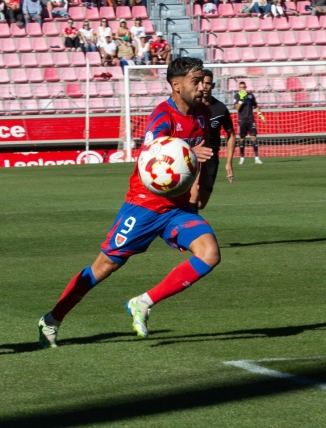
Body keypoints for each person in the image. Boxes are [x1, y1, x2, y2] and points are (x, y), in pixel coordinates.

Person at [37, 57, 219, 348]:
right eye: (195, 82)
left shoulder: (203, 114)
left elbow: (197, 160)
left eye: (203, 81)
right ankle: (52, 320)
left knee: (209, 254)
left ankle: (143, 302)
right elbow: (152, 156)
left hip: (178, 209)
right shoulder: (163, 115)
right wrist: (189, 151)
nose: (202, 87)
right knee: (104, 266)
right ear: (176, 85)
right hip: (145, 205)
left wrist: (198, 187)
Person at [197, 69, 235, 210]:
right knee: (191, 197)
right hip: (193, 157)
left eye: (208, 83)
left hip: (211, 159)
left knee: (201, 204)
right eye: (202, 83)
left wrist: (229, 163)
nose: (205, 87)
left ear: (212, 85)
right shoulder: (192, 107)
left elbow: (231, 135)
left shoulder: (220, 109)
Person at [234, 81, 262, 164]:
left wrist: (260, 114)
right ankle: (242, 158)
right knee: (242, 138)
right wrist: (241, 99)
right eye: (241, 87)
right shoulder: (237, 95)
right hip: (242, 120)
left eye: (244, 87)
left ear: (246, 87)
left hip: (250, 119)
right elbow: (237, 108)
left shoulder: (250, 96)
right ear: (239, 88)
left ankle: (256, 158)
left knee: (254, 137)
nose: (242, 89)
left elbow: (255, 106)